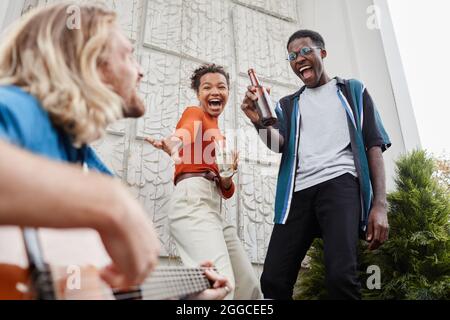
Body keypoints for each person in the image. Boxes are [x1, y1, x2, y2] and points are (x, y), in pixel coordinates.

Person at [0, 3, 231, 300]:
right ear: (90, 57)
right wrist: (110, 203)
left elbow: (91, 289)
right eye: (129, 55)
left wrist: (185, 302)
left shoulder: (89, 167)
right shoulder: (20, 108)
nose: (141, 71)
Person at [241, 29, 392, 300]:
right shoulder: (288, 104)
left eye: (305, 51)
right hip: (296, 193)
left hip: (340, 184)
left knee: (340, 278)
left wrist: (380, 205)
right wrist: (256, 120)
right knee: (273, 279)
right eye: (292, 56)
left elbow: (374, 144)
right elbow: (279, 145)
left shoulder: (353, 91)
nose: (298, 58)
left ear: (322, 52)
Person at [146, 64, 262, 300]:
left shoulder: (221, 138)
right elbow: (186, 131)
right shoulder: (195, 113)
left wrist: (226, 177)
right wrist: (174, 142)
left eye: (222, 87)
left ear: (228, 93)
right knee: (219, 286)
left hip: (213, 208)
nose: (215, 92)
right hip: (192, 203)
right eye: (207, 87)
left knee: (248, 287)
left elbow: (226, 191)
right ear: (199, 94)